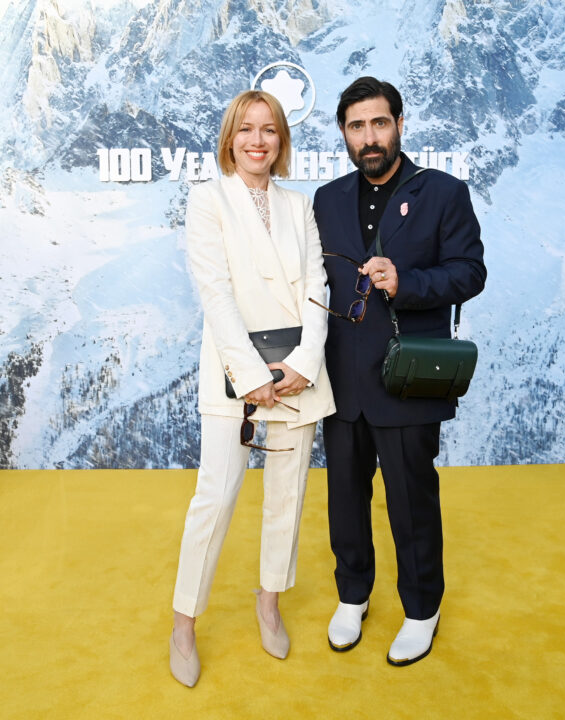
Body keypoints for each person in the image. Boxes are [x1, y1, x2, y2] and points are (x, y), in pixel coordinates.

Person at [312, 76, 486, 666]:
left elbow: (470, 272)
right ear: (344, 133)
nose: (370, 137)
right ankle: (352, 596)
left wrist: (405, 283)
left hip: (409, 375)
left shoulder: (443, 193)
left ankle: (421, 609)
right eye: (357, 126)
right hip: (342, 378)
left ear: (400, 125)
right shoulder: (326, 199)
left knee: (411, 498)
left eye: (379, 123)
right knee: (344, 496)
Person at [169, 90, 336, 687]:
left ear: (281, 140)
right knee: (215, 499)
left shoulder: (299, 205)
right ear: (230, 138)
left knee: (287, 497)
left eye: (269, 129)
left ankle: (269, 601)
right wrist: (253, 377)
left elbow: (318, 287)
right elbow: (214, 294)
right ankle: (184, 622)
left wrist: (304, 363)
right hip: (234, 376)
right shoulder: (207, 199)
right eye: (246, 129)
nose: (257, 140)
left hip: (297, 373)